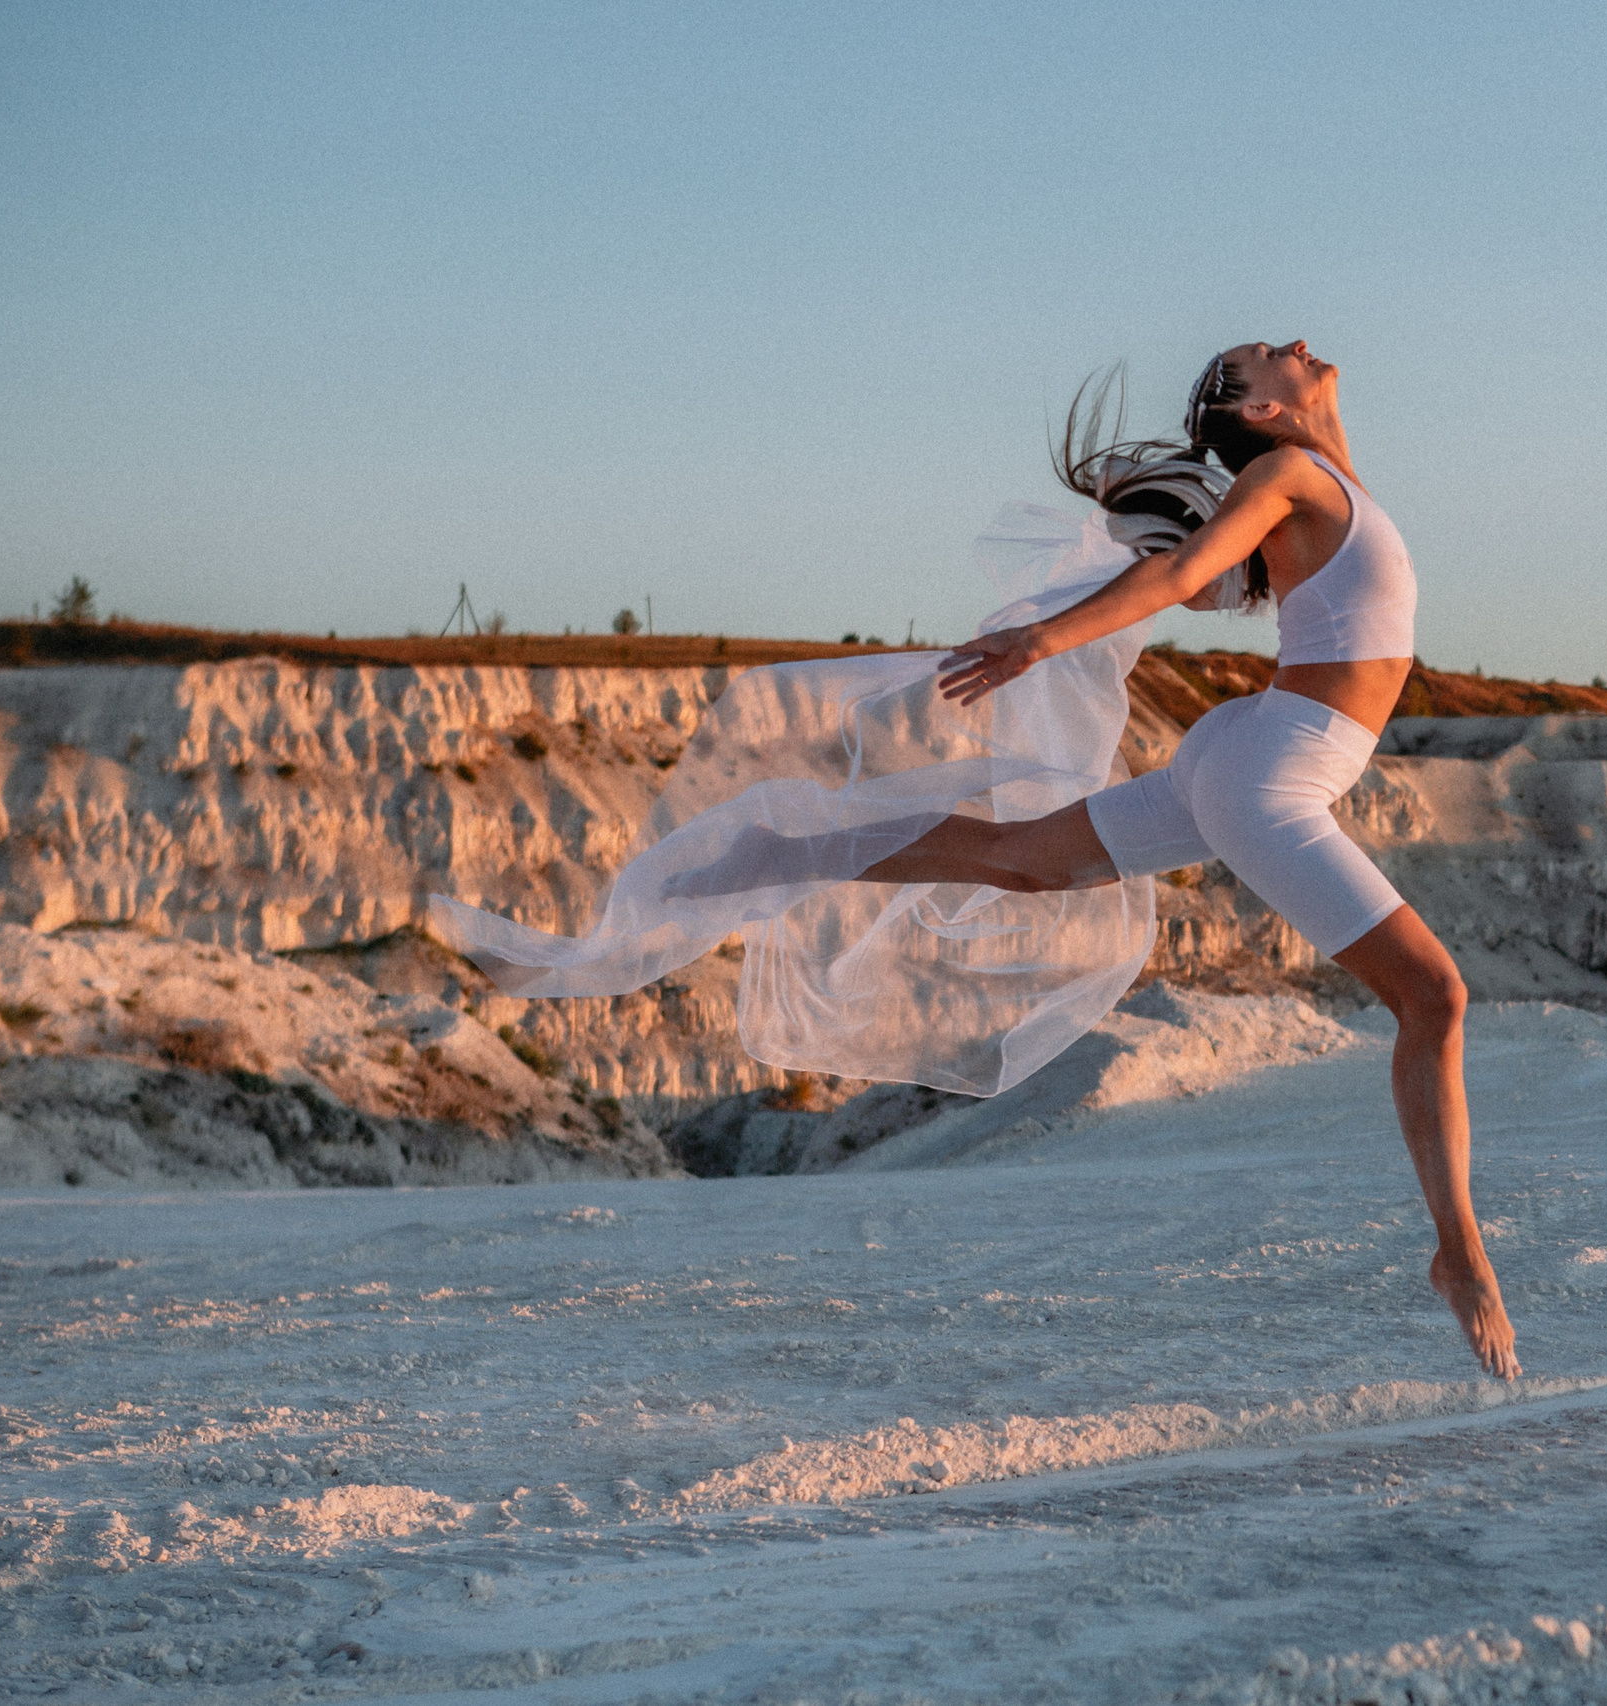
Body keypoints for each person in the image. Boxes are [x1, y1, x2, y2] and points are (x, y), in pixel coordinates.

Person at [432, 340, 1517, 1379]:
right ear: (1261, 409)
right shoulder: (1286, 471)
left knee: (1017, 860)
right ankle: (1458, 1250)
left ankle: (777, 849)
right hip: (1271, 769)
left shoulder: (1317, 475)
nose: (1289, 340)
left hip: (1245, 754)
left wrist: (1254, 453)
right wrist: (1043, 639)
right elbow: (1187, 568)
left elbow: (1199, 572)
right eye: (1260, 357)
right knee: (1436, 996)